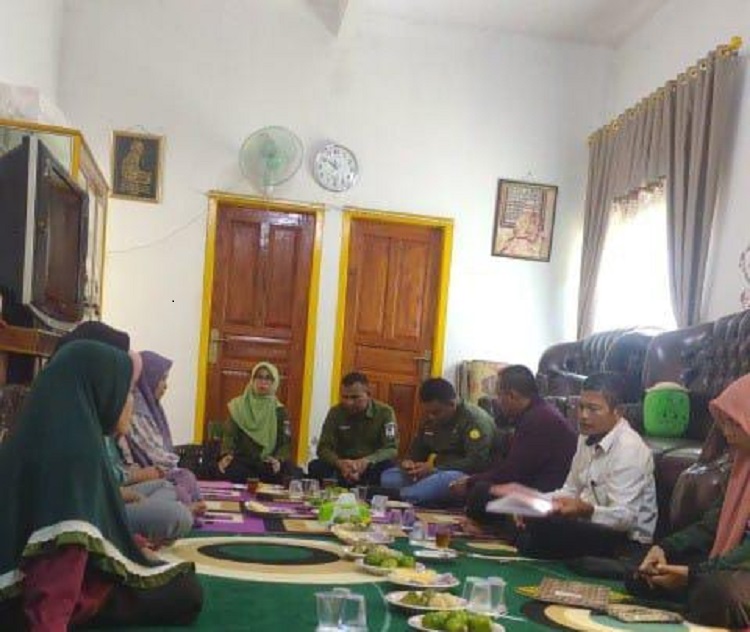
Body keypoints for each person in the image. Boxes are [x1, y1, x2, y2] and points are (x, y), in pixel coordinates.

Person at [0, 340, 202, 630]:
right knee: (185, 590)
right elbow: (60, 553)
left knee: (157, 568)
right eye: (127, 392)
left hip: (18, 587)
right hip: (24, 601)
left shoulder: (48, 431)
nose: (130, 402)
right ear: (101, 390)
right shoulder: (76, 452)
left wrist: (133, 544)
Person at [627, 374, 750, 628]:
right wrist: (665, 548)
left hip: (739, 568)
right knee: (643, 572)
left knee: (718, 592)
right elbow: (711, 526)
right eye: (724, 422)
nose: (726, 432)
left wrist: (692, 575)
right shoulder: (742, 467)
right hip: (726, 564)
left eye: (735, 423)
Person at [513, 372, 657, 559]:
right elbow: (570, 490)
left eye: (593, 409)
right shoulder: (586, 436)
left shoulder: (629, 449)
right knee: (520, 511)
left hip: (626, 542)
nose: (583, 416)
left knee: (543, 529)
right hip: (589, 525)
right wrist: (535, 502)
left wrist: (588, 510)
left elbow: (625, 519)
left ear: (618, 412)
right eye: (581, 407)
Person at [453, 365, 577, 531]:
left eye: (499, 395)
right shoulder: (536, 413)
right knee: (482, 486)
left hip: (544, 495)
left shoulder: (539, 420)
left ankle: (488, 529)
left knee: (480, 491)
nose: (497, 401)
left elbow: (513, 473)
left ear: (512, 395)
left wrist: (470, 482)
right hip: (533, 487)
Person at [381, 378, 496, 506]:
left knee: (437, 483)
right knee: (389, 477)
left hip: (463, 476)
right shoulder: (431, 418)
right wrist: (409, 463)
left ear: (452, 403)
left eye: (436, 412)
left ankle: (401, 496)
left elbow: (477, 462)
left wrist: (435, 469)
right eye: (427, 412)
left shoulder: (475, 420)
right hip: (434, 472)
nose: (431, 417)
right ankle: (410, 495)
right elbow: (417, 450)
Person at [119, 350, 202, 504]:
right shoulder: (137, 408)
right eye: (162, 379)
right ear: (150, 378)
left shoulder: (152, 406)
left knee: (184, 479)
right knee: (181, 485)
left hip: (149, 473)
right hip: (141, 475)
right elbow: (156, 457)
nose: (166, 386)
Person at [308, 372, 398, 486]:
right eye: (345, 397)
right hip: (342, 466)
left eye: (355, 397)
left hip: (371, 465)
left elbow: (391, 448)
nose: (349, 402)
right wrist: (340, 463)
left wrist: (367, 461)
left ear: (368, 395)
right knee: (315, 466)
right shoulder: (335, 412)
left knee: (388, 469)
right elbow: (323, 448)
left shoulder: (385, 412)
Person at [217, 362, 301, 483]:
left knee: (289, 472)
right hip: (242, 460)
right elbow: (229, 435)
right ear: (252, 380)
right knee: (230, 470)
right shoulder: (238, 406)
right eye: (259, 377)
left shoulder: (280, 410)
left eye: (268, 378)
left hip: (268, 461)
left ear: (274, 382)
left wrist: (278, 459)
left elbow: (285, 443)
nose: (263, 382)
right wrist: (227, 455)